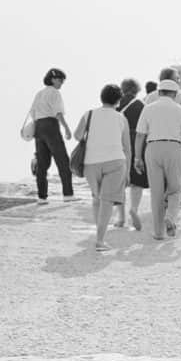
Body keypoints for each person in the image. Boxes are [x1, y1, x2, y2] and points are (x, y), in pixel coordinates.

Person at [133, 79, 181, 239]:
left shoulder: (148, 108)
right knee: (175, 189)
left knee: (156, 192)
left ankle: (158, 232)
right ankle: (171, 217)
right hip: (174, 148)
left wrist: (137, 157)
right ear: (175, 94)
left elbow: (140, 134)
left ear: (159, 92)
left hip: (152, 148)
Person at [74, 85, 131, 252]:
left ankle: (99, 235)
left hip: (91, 162)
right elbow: (127, 148)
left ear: (102, 97)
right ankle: (100, 240)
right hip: (115, 161)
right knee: (107, 201)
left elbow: (77, 136)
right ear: (118, 101)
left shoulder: (89, 114)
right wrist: (127, 172)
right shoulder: (121, 118)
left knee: (97, 198)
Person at [28, 68, 76, 204]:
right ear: (53, 79)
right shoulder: (54, 93)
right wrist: (66, 128)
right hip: (50, 125)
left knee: (42, 164)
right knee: (63, 160)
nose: (62, 83)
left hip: (38, 127)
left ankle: (42, 197)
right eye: (60, 80)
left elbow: (32, 113)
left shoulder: (39, 93)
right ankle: (68, 194)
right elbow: (58, 113)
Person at [114, 78, 148, 230]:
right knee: (137, 180)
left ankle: (120, 218)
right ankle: (133, 209)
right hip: (136, 142)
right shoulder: (141, 105)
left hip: (118, 142)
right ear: (137, 90)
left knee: (120, 181)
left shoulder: (115, 103)